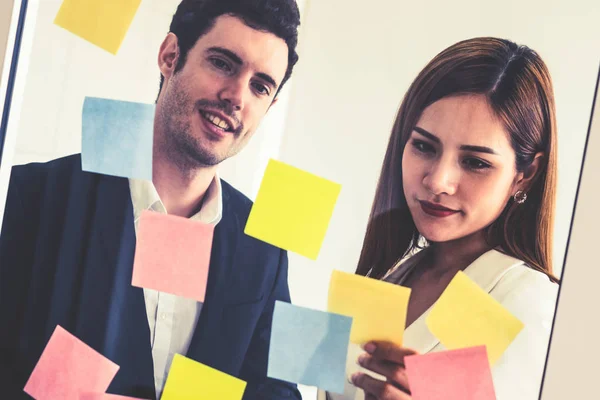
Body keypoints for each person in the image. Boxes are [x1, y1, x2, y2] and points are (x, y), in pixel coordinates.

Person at [0, 0, 303, 399]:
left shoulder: (264, 247)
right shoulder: (35, 194)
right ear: (169, 56)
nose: (236, 97)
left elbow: (278, 392)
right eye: (223, 64)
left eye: (260, 86)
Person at [319, 37, 560, 400]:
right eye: (423, 146)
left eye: (476, 162)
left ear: (524, 174)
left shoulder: (530, 303)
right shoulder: (390, 277)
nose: (437, 181)